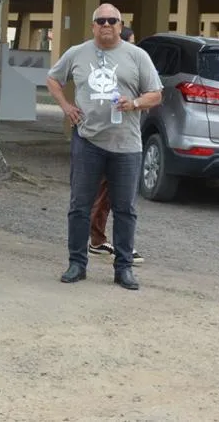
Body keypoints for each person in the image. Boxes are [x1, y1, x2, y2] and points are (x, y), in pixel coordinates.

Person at [46, 4, 162, 291]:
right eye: (101, 21)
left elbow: (156, 94)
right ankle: (77, 263)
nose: (106, 25)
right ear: (93, 26)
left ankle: (123, 268)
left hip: (126, 145)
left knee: (125, 209)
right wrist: (66, 107)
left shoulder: (137, 56)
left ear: (121, 25)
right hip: (88, 141)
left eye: (112, 20)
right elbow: (53, 78)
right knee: (79, 206)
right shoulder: (77, 53)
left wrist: (134, 103)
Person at [89, 25, 144, 265]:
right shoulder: (108, 67)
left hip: (126, 136)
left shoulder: (135, 64)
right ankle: (99, 240)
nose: (131, 48)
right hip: (106, 137)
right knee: (107, 191)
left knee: (114, 195)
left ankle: (103, 241)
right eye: (130, 43)